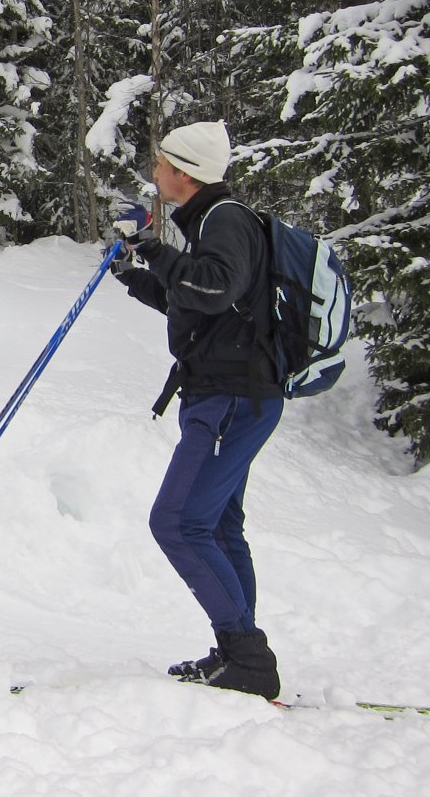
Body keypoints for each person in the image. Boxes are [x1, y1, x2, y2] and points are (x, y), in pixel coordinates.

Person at [109, 120, 284, 700]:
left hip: (229, 400)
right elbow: (202, 304)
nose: (154, 172)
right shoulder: (213, 221)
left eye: (160, 163)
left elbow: (214, 289)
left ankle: (248, 658)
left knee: (178, 522)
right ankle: (236, 652)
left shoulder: (224, 219)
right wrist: (138, 274)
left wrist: (154, 248)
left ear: (183, 173)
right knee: (217, 525)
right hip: (233, 395)